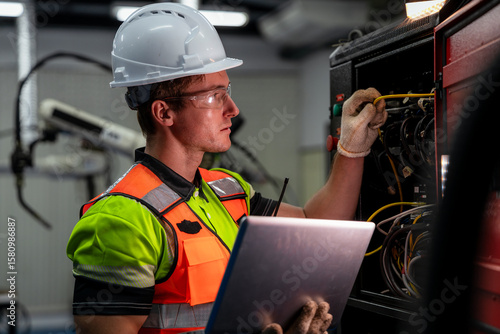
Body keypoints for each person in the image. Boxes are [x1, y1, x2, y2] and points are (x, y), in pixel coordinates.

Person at [66, 3, 387, 334]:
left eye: (227, 92)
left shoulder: (228, 190)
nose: (232, 109)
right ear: (164, 113)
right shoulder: (119, 221)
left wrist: (352, 149)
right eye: (215, 96)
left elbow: (317, 225)